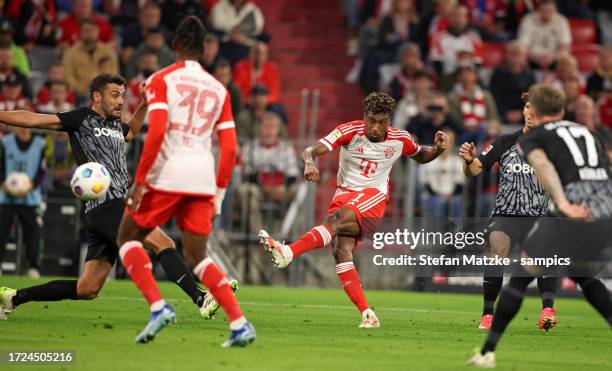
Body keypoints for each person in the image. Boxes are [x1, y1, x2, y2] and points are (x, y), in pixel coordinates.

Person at [0, 74, 222, 325]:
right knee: (162, 241)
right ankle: (201, 298)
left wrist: (144, 103)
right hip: (105, 206)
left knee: (88, 288)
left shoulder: (117, 126)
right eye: (114, 95)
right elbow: (32, 119)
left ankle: (14, 298)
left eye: (122, 96)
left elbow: (133, 130)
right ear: (97, 96)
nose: (120, 101)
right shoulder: (80, 119)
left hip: (111, 209)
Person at [114, 16, 255, 347]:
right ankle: (240, 323)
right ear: (204, 49)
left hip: (168, 174)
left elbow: (158, 131)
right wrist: (218, 193)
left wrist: (140, 181)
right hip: (203, 179)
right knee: (198, 257)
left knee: (126, 237)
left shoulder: (161, 79)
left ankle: (158, 306)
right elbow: (230, 147)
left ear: (175, 45)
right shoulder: (219, 89)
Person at [258, 92, 449, 327]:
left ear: (389, 121)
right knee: (341, 251)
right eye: (371, 120)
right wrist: (309, 163)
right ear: (364, 117)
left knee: (335, 220)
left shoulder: (401, 138)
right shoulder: (349, 131)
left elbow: (421, 155)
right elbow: (310, 150)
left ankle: (289, 252)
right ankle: (368, 314)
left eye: (381, 122)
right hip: (345, 196)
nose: (375, 127)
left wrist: (438, 150)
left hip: (373, 199)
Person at [467, 84, 612, 368]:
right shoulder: (585, 131)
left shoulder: (537, 137)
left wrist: (564, 203)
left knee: (521, 276)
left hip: (572, 214)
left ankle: (487, 352)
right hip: (602, 215)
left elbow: (544, 169)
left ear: (537, 110)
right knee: (583, 275)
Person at [459, 92, 559, 331]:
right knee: (498, 251)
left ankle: (547, 310)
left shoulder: (553, 146)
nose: (530, 111)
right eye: (526, 107)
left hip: (538, 216)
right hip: (505, 214)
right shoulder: (505, 142)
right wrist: (468, 160)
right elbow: (473, 171)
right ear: (524, 111)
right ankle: (487, 314)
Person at [236, 112, 299, 233]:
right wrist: (265, 187)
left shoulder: (286, 147)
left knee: (298, 191)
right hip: (258, 189)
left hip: (281, 189)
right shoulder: (249, 146)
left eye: (273, 127)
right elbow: (247, 175)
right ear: (260, 128)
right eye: (266, 126)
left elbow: (293, 175)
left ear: (278, 130)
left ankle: (286, 234)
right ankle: (260, 237)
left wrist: (283, 187)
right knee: (246, 190)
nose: (269, 130)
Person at [0, 127, 45, 277]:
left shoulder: (40, 144)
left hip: (30, 198)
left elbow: (42, 170)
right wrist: (3, 183)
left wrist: (32, 185)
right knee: (1, 231)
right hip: (6, 196)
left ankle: (33, 267)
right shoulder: (5, 142)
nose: (23, 127)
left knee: (32, 233)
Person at [62, 19, 118, 100]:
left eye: (92, 30)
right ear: (80, 32)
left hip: (105, 95)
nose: (89, 33)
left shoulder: (109, 52)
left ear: (98, 32)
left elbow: (114, 74)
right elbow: (68, 77)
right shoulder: (70, 53)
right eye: (85, 30)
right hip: (79, 96)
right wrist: (83, 91)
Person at [419, 129, 464, 218]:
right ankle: (437, 231)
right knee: (439, 203)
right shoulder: (427, 160)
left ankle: (456, 231)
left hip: (452, 197)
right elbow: (425, 184)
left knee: (456, 202)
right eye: (443, 140)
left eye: (450, 141)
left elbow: (460, 185)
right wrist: (441, 197)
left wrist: (448, 197)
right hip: (432, 197)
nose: (446, 144)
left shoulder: (458, 162)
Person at [489, 41, 536, 125]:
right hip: (501, 114)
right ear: (506, 55)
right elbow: (494, 97)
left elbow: (532, 98)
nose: (515, 57)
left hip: (524, 115)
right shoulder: (498, 74)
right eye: (512, 54)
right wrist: (505, 113)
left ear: (524, 57)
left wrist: (521, 112)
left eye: (518, 54)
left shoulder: (530, 76)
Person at [517, 0, 571, 70]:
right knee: (519, 56)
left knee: (567, 60)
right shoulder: (528, 19)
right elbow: (523, 45)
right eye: (544, 10)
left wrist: (553, 57)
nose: (546, 13)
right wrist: (535, 57)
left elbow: (565, 46)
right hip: (532, 57)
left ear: (555, 10)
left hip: (554, 58)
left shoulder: (562, 20)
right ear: (538, 10)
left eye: (549, 10)